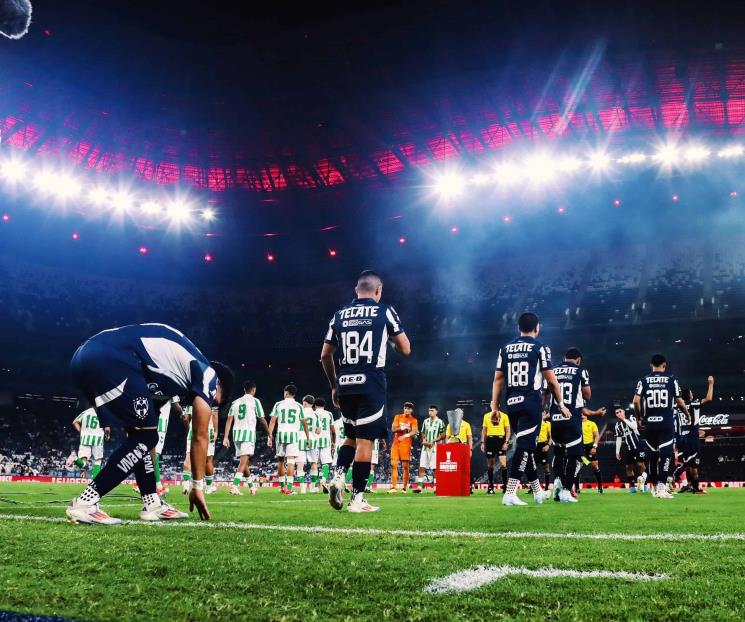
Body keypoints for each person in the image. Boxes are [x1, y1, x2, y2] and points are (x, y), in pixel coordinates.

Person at [66, 323, 233, 524]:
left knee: (143, 436)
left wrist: (150, 485)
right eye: (213, 402)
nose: (205, 404)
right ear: (219, 385)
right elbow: (200, 435)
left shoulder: (174, 376)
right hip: (110, 359)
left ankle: (152, 503)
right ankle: (86, 502)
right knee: (146, 437)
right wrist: (197, 486)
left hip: (88, 356)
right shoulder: (209, 375)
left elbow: (144, 437)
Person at [321, 270, 411, 512]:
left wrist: (334, 385)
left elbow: (325, 355)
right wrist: (390, 340)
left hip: (345, 383)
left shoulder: (339, 314)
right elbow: (405, 348)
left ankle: (339, 476)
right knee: (364, 441)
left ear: (356, 290)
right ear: (378, 291)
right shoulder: (384, 311)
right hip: (371, 380)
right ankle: (357, 500)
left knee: (350, 436)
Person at [492, 312, 572, 507]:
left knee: (525, 446)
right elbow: (552, 380)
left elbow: (498, 379)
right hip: (530, 402)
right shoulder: (540, 347)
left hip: (511, 403)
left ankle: (537, 492)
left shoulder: (506, 348)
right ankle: (510, 493)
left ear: (519, 327)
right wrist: (561, 404)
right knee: (526, 446)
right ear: (537, 327)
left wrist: (494, 406)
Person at [633, 353, 690, 499]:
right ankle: (661, 487)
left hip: (650, 424)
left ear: (651, 365)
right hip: (666, 423)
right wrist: (687, 414)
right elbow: (679, 401)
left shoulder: (643, 380)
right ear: (664, 365)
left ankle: (654, 488)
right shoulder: (671, 380)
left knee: (651, 457)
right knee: (666, 456)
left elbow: (636, 401)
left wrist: (640, 417)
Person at [549, 348, 593, 503]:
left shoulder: (553, 370)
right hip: (572, 417)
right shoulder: (581, 370)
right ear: (578, 359)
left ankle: (557, 481)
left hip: (555, 417)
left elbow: (545, 391)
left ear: (564, 358)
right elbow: (587, 395)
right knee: (573, 456)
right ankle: (567, 491)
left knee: (558, 453)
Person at [223, 381, 271, 496]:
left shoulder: (235, 402)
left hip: (236, 434)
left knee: (244, 462)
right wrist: (269, 433)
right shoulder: (255, 401)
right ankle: (234, 486)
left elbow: (229, 420)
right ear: (253, 390)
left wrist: (225, 437)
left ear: (244, 390)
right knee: (243, 461)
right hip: (248, 433)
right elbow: (262, 419)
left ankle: (252, 487)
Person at [675, 376, 714, 494]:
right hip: (692, 438)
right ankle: (696, 488)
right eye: (691, 393)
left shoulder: (677, 407)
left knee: (687, 463)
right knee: (694, 465)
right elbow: (709, 399)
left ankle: (688, 484)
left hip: (682, 438)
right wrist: (711, 384)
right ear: (690, 396)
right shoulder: (694, 403)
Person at [268, 384, 309, 495]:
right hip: (293, 435)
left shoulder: (278, 404)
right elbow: (304, 423)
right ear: (294, 394)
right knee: (291, 462)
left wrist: (269, 436)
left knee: (280, 461)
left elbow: (272, 421)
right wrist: (308, 437)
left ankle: (282, 488)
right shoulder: (298, 406)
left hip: (281, 433)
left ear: (286, 393)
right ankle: (289, 488)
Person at [181, 404, 219, 495]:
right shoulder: (210, 395)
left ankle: (186, 486)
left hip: (193, 430)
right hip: (207, 431)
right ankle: (208, 488)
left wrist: (189, 429)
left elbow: (185, 418)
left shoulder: (191, 398)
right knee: (208, 460)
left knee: (188, 457)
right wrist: (216, 431)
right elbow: (214, 414)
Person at [614, 407, 647, 493]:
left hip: (638, 445)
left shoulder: (631, 417)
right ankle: (632, 488)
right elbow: (619, 438)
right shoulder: (617, 425)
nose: (618, 413)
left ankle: (645, 485)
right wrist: (617, 451)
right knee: (628, 467)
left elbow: (634, 426)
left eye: (620, 411)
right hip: (628, 448)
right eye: (617, 413)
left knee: (640, 464)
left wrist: (623, 419)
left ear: (624, 412)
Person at [413, 405, 446, 493]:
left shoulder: (440, 422)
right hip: (425, 447)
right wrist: (424, 440)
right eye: (429, 410)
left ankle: (436, 488)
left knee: (435, 468)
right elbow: (423, 432)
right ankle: (419, 488)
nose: (430, 412)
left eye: (432, 410)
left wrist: (433, 440)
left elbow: (443, 435)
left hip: (435, 447)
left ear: (436, 412)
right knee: (422, 466)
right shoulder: (425, 421)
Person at [71, 406, 110, 479]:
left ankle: (75, 458)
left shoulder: (85, 412)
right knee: (98, 460)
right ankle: (94, 478)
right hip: (98, 439)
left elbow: (74, 422)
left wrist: (81, 432)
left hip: (85, 438)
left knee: (83, 460)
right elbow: (107, 429)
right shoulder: (103, 413)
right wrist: (107, 436)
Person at [154, 397, 181, 495]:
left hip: (148, 422)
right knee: (155, 454)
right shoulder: (170, 384)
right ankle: (146, 484)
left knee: (150, 454)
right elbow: (176, 405)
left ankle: (157, 486)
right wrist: (182, 413)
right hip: (160, 423)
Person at [389, 402, 419, 493]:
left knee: (405, 466)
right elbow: (393, 429)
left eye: (408, 408)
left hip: (406, 445)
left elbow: (414, 431)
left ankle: (404, 488)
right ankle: (394, 488)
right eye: (405, 408)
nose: (406, 410)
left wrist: (405, 436)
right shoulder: (397, 417)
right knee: (393, 464)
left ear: (411, 410)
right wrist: (401, 428)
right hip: (396, 444)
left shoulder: (413, 420)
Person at [479, 408, 510, 494]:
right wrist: (482, 442)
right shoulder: (486, 416)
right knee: (490, 465)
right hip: (490, 441)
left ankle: (505, 487)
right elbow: (484, 430)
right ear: (490, 405)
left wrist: (506, 442)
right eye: (492, 404)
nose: (493, 405)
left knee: (503, 464)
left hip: (501, 440)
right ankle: (490, 487)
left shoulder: (504, 416)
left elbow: (507, 430)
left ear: (498, 406)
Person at [576, 412, 606, 493]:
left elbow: (596, 435)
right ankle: (576, 488)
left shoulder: (592, 423)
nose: (582, 414)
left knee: (595, 465)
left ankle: (600, 486)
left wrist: (594, 446)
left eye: (583, 413)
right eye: (580, 413)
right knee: (577, 467)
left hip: (590, 447)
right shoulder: (576, 423)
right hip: (580, 447)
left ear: (586, 415)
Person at [296, 395, 320, 493]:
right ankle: (313, 487)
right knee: (314, 463)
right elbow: (318, 431)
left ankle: (302, 489)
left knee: (300, 464)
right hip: (313, 440)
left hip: (300, 439)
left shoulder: (299, 412)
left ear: (304, 402)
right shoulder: (315, 415)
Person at [314, 397, 336, 490]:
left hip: (314, 440)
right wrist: (333, 443)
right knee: (326, 462)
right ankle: (323, 480)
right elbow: (333, 430)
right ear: (324, 406)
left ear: (315, 405)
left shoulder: (313, 413)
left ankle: (315, 486)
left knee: (314, 463)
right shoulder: (329, 414)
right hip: (326, 440)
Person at [535, 412, 552, 491]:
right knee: (533, 467)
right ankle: (534, 488)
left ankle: (547, 487)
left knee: (546, 467)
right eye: (541, 413)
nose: (542, 414)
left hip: (543, 446)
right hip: (534, 446)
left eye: (543, 413)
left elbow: (551, 436)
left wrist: (548, 445)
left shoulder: (547, 424)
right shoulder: (534, 422)